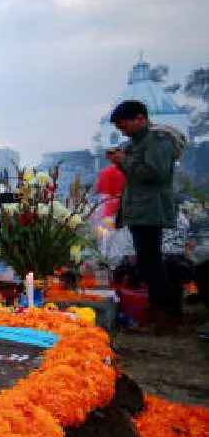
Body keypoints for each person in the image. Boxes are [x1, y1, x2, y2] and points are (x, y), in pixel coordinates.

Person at [107, 100, 180, 330]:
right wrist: (122, 161)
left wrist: (124, 161)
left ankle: (164, 315)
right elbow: (137, 173)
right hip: (140, 210)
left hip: (150, 209)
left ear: (140, 118)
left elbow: (155, 172)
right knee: (148, 262)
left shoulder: (157, 140)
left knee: (152, 262)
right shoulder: (140, 142)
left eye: (124, 126)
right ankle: (160, 312)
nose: (123, 132)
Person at [95, 148, 126, 220]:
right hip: (120, 204)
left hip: (107, 204)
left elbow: (98, 189)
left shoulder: (104, 171)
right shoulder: (125, 171)